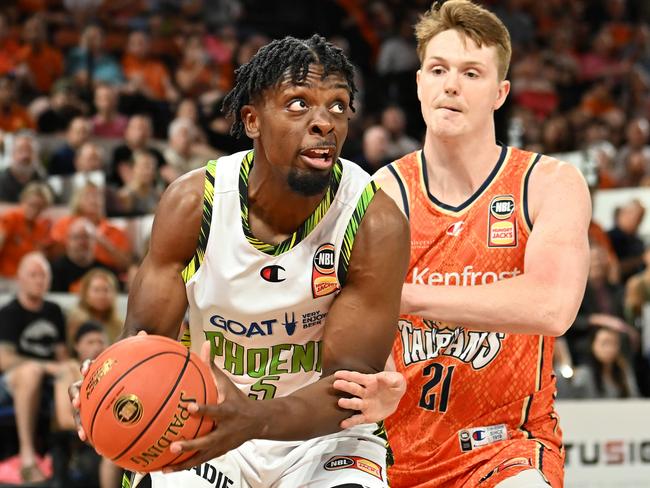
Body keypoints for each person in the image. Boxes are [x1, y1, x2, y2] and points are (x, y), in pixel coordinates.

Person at [73, 34, 409, 488]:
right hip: (201, 412)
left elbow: (348, 389)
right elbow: (143, 340)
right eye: (297, 104)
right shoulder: (194, 204)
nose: (323, 122)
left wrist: (255, 419)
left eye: (337, 106)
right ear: (252, 119)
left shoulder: (373, 220)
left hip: (320, 434)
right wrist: (105, 389)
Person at [333, 2, 590, 487]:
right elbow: (354, 316)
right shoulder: (382, 192)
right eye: (438, 69)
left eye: (471, 73)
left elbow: (552, 306)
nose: (451, 85)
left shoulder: (546, 183)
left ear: (500, 92)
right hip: (388, 449)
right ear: (418, 84)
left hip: (505, 446)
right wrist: (376, 370)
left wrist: (403, 297)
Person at [0, 252, 69, 484]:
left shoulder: (54, 310)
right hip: (12, 381)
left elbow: (61, 355)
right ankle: (27, 455)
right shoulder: (9, 312)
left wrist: (66, 367)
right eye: (33, 275)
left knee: (71, 367)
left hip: (49, 377)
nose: (39, 280)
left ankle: (71, 449)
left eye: (43, 275)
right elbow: (5, 360)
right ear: (20, 278)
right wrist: (44, 366)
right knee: (32, 372)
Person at [66, 268, 123, 345]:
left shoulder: (119, 325)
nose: (102, 295)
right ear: (85, 294)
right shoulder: (76, 322)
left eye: (106, 290)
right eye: (96, 290)